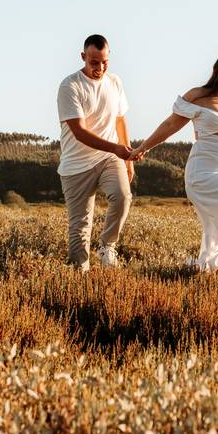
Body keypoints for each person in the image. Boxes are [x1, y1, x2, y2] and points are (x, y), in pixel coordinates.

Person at [132, 51, 218, 271]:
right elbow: (169, 126)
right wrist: (142, 148)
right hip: (202, 171)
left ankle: (212, 262)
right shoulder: (197, 96)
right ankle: (213, 262)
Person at [56, 34, 134, 271]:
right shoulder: (70, 86)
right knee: (79, 227)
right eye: (94, 62)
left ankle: (107, 246)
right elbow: (79, 132)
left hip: (108, 157)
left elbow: (120, 120)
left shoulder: (115, 82)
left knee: (122, 197)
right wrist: (116, 148)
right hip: (76, 164)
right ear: (83, 57)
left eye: (104, 62)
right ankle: (80, 276)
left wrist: (127, 157)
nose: (99, 68)